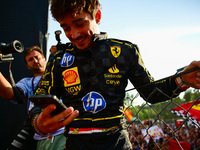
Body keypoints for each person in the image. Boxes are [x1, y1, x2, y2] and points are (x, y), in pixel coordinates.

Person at [31, 0, 200, 150]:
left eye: (79, 24)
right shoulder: (59, 57)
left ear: (97, 16)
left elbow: (151, 93)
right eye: (66, 28)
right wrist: (37, 123)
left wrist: (182, 79)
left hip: (116, 142)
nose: (74, 35)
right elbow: (40, 99)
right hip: (75, 143)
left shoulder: (125, 51)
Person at [0, 45, 79, 150]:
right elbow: (10, 94)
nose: (35, 60)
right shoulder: (27, 82)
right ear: (27, 66)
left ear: (45, 59)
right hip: (40, 137)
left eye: (37, 57)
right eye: (30, 59)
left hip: (64, 133)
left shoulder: (61, 73)